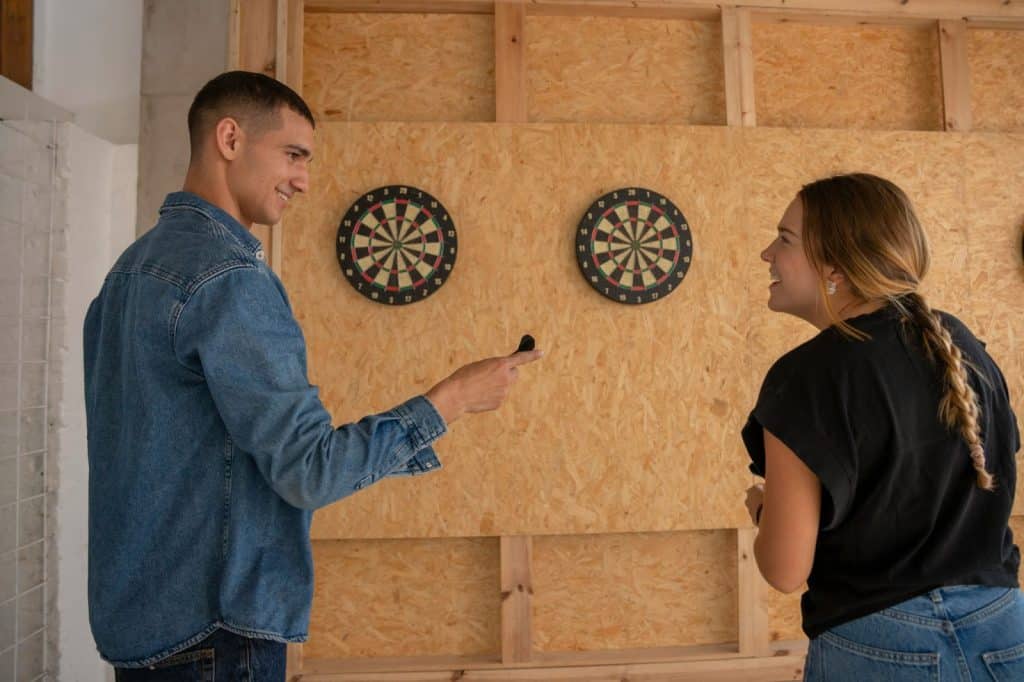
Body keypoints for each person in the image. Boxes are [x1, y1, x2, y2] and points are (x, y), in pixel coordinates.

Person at [83, 70, 542, 679]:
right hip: (214, 633)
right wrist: (452, 398)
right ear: (229, 138)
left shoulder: (128, 273)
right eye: (293, 155)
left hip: (142, 626)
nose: (303, 179)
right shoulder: (228, 281)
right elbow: (310, 471)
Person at [741, 172, 1023, 680]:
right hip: (1005, 635)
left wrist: (764, 510)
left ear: (837, 266)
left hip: (879, 648)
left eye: (784, 239)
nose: (768, 254)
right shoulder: (961, 346)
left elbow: (785, 570)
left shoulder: (803, 377)